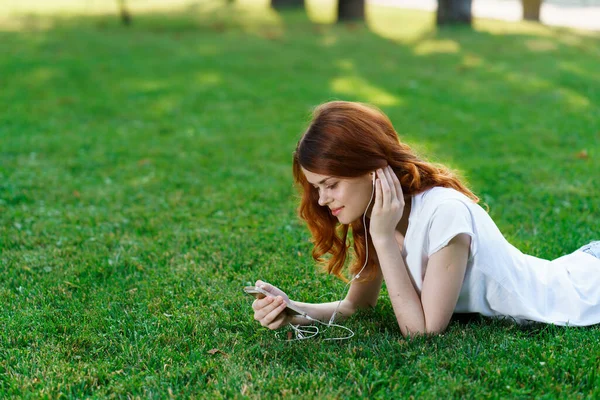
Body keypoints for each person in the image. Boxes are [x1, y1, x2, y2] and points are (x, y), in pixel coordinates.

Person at [251, 101, 600, 338]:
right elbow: (358, 306)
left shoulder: (444, 213)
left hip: (585, 289)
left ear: (371, 170)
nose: (323, 200)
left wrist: (384, 239)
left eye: (330, 185)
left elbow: (424, 332)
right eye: (317, 189)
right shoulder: (378, 214)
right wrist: (294, 310)